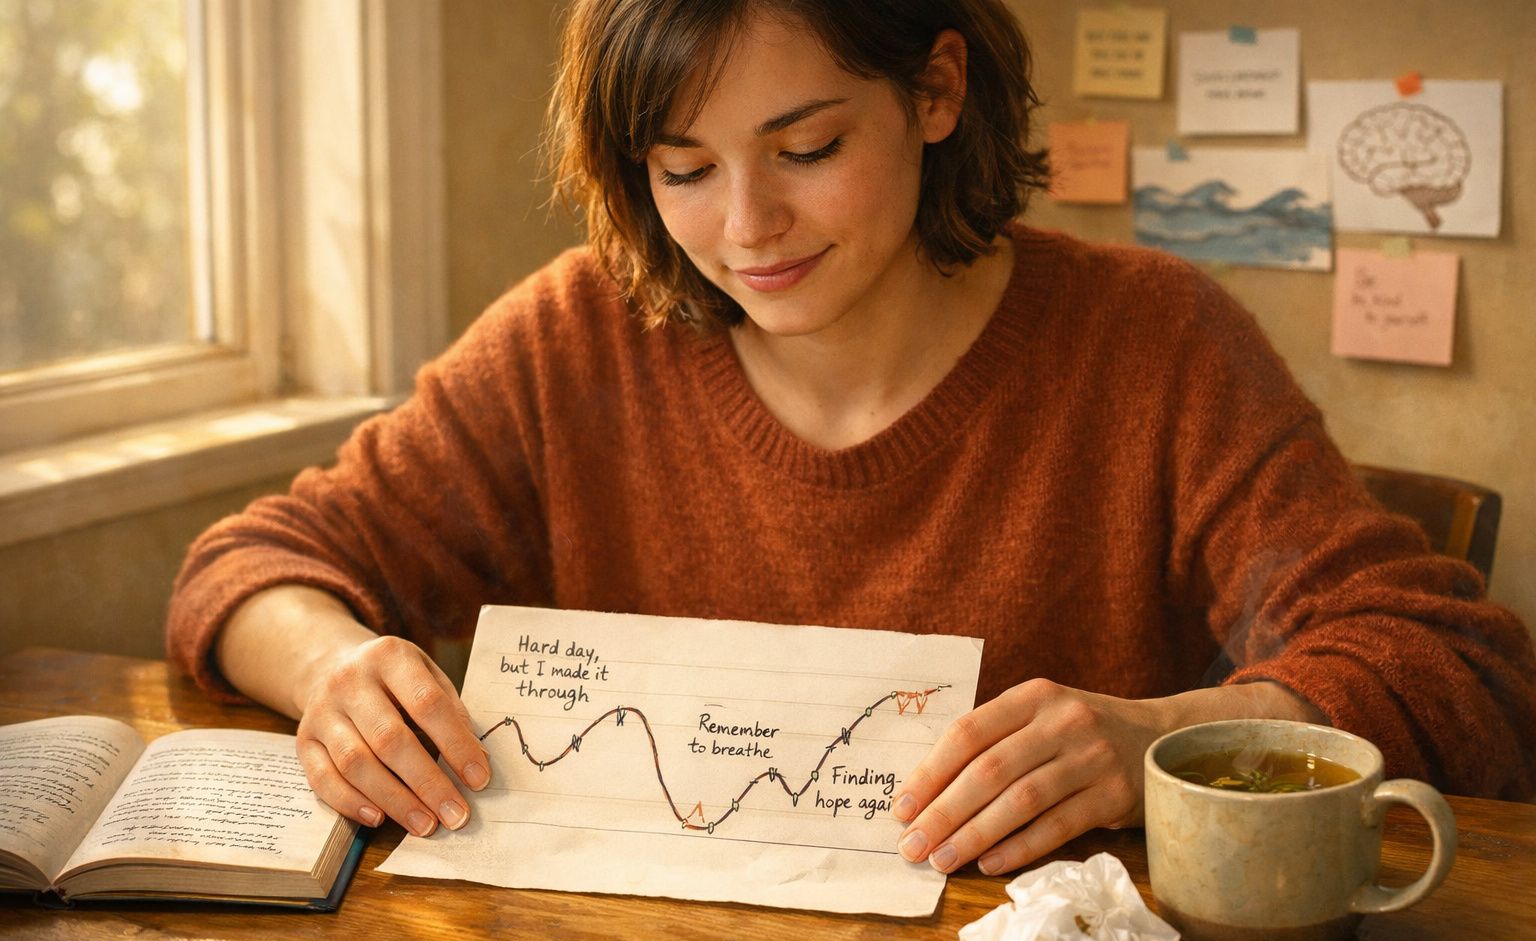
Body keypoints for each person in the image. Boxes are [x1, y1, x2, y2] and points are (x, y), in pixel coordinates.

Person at [167, 0, 1536, 878]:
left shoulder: (1150, 342)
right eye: (683, 169)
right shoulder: (574, 338)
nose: (745, 227)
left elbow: (1459, 669)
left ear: (935, 92)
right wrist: (333, 665)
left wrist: (1161, 740)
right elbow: (249, 566)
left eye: (808, 148)